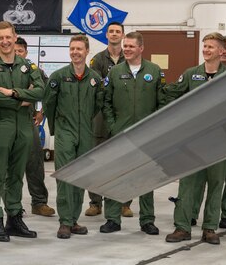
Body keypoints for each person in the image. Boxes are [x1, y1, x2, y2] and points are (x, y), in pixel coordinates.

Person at [0, 21, 44, 242]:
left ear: (15, 37)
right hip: (0, 128)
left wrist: (13, 93)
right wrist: (22, 100)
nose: (5, 41)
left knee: (16, 175)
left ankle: (14, 218)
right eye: (0, 38)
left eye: (8, 37)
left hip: (24, 128)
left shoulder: (28, 66)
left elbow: (41, 91)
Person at [164, 32, 226, 245]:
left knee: (216, 185)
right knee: (188, 184)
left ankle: (210, 228)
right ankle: (182, 227)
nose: (206, 50)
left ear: (221, 51)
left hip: (219, 141)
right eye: (205, 46)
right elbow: (171, 94)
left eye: (211, 47)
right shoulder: (191, 74)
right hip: (191, 140)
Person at [100, 31, 166, 235]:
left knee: (147, 178)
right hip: (120, 134)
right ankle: (112, 219)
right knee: (116, 177)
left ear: (141, 48)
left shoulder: (154, 71)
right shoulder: (115, 72)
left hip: (147, 135)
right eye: (124, 46)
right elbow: (106, 102)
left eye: (130, 46)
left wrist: (154, 127)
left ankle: (147, 220)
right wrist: (113, 126)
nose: (126, 49)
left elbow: (162, 102)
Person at [43, 35, 103, 239]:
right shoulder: (58, 76)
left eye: (79, 49)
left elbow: (97, 106)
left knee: (80, 177)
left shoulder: (94, 78)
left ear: (87, 52)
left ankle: (74, 220)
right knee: (65, 176)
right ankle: (65, 221)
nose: (75, 52)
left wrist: (85, 123)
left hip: (85, 133)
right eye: (72, 49)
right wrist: (57, 129)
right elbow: (49, 104)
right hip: (65, 132)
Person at [190, 36, 226, 230]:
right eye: (224, 48)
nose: (225, 52)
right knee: (200, 174)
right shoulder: (201, 73)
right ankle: (192, 212)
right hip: (207, 136)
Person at [85, 22, 134, 217]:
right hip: (100, 120)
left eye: (118, 32)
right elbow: (95, 88)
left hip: (123, 117)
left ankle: (124, 203)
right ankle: (96, 202)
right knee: (97, 162)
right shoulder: (97, 60)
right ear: (106, 35)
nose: (114, 34)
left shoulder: (130, 59)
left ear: (122, 36)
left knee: (124, 162)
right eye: (111, 31)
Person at [14, 37, 55, 217]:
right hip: (4, 121)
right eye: (14, 51)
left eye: (20, 51)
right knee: (10, 166)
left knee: (35, 162)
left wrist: (42, 112)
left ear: (26, 52)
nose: (17, 54)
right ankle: (12, 206)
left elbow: (48, 92)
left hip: (27, 121)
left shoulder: (34, 71)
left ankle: (39, 202)